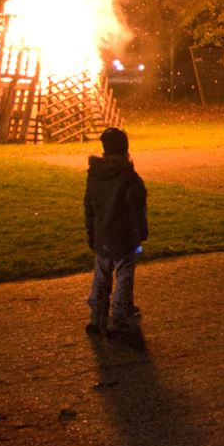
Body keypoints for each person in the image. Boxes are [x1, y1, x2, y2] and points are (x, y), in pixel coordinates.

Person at [84, 126, 148, 341]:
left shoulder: (95, 174)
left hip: (102, 233)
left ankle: (96, 315)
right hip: (124, 235)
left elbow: (89, 206)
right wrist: (141, 233)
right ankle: (118, 317)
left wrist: (91, 233)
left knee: (101, 274)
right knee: (124, 275)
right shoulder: (128, 176)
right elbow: (138, 205)